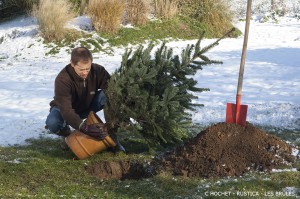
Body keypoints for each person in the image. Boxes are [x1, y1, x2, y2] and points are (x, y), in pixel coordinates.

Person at [45, 46, 124, 151]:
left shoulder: (98, 70)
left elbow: (114, 90)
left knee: (110, 94)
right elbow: (66, 110)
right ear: (72, 63)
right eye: (81, 69)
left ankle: (112, 136)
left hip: (88, 105)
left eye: (88, 68)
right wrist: (84, 128)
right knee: (53, 122)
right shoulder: (63, 79)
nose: (85, 73)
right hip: (65, 109)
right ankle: (68, 135)